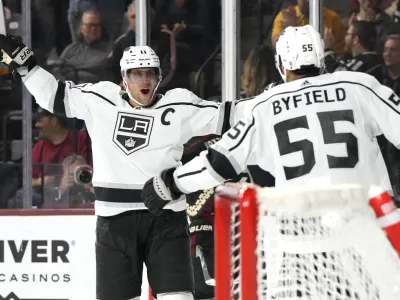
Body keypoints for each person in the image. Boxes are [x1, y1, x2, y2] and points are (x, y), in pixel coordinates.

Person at [0, 34, 235, 300]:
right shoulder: (100, 99)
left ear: (159, 77)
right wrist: (27, 68)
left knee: (178, 298)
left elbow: (230, 115)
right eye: (137, 74)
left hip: (166, 219)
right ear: (124, 77)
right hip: (114, 223)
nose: (144, 80)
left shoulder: (179, 105)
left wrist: (270, 103)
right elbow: (52, 95)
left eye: (149, 74)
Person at [142, 25, 400, 218]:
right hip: (369, 222)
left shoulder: (265, 105)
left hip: (305, 229)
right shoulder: (359, 85)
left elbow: (217, 162)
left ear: (281, 64)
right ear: (321, 57)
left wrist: (171, 183)